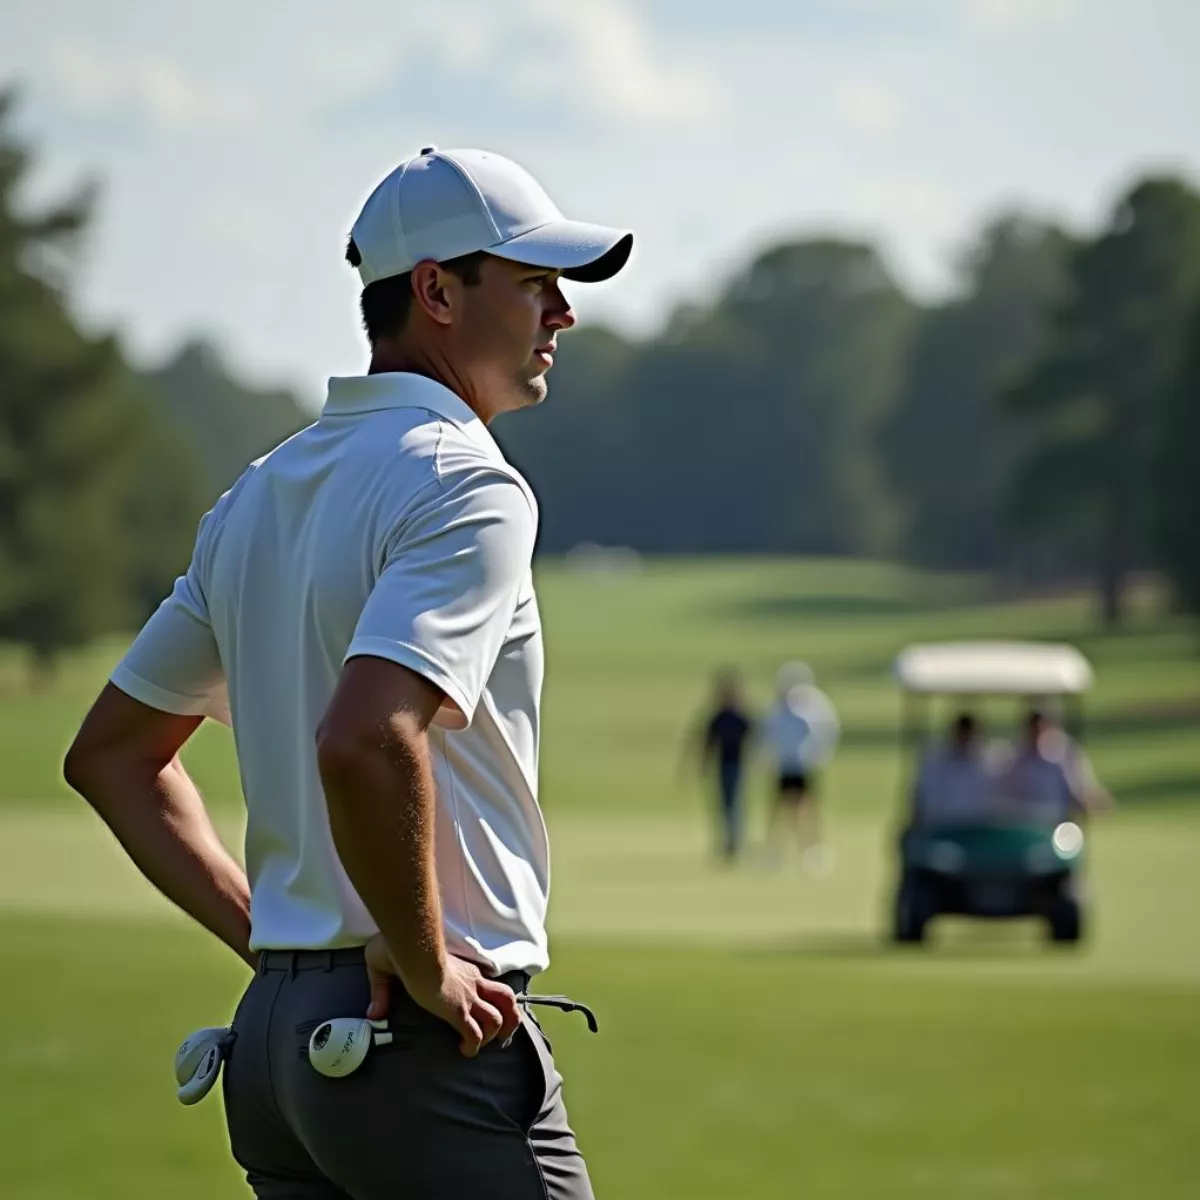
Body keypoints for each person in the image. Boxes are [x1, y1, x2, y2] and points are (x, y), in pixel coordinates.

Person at [63, 146, 633, 1200]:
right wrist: (421, 965)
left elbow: (113, 756)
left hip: (282, 1046)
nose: (564, 314)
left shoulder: (257, 495)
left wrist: (279, 946)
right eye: (533, 283)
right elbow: (368, 737)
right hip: (411, 1045)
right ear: (436, 292)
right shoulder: (469, 486)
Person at [760, 662, 840, 872]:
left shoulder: (812, 708)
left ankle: (812, 851)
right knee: (777, 811)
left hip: (803, 765)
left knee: (807, 810)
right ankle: (774, 852)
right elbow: (768, 735)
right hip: (783, 766)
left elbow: (825, 732)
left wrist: (818, 756)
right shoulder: (777, 709)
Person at [995, 708, 1113, 827]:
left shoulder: (1064, 755)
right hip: (1026, 824)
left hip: (1058, 823)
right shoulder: (1016, 759)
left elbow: (1079, 788)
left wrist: (1091, 800)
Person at [696, 670, 755, 861]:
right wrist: (704, 764)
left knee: (734, 805)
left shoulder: (740, 716)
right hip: (722, 764)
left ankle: (735, 842)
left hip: (738, 765)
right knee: (724, 805)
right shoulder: (719, 717)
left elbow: (754, 739)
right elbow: (709, 742)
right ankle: (727, 842)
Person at [910, 712, 994, 828]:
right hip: (943, 826)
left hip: (978, 828)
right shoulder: (937, 763)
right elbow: (923, 798)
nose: (966, 739)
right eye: (962, 734)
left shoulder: (987, 764)